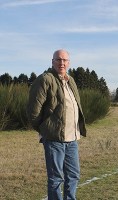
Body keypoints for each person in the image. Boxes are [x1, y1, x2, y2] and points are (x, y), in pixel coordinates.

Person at [27, 49, 86, 200]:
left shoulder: (70, 80)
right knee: (55, 179)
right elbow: (33, 111)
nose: (62, 63)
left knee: (73, 176)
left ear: (69, 63)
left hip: (72, 139)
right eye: (58, 60)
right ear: (52, 61)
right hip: (54, 139)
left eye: (65, 60)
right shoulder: (45, 79)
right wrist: (45, 129)